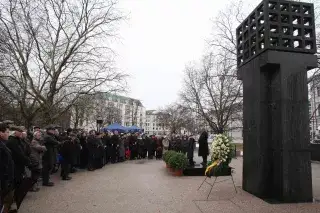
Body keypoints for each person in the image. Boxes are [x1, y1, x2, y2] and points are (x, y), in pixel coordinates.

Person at [0, 123, 15, 213]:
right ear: (1, 133)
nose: (8, 134)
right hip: (3, 179)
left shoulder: (3, 143)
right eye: (7, 132)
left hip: (6, 177)